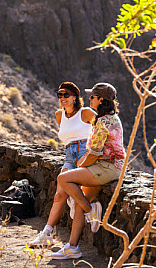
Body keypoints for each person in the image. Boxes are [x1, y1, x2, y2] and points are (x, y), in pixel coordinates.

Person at [51, 82, 125, 260]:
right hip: (107, 167)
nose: (89, 99)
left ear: (101, 100)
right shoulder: (109, 118)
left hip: (106, 168)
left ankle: (90, 209)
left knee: (64, 179)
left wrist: (79, 167)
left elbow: (94, 153)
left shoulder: (103, 121)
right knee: (78, 202)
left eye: (92, 97)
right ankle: (73, 247)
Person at [29, 82, 96, 247]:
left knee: (71, 186)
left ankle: (87, 210)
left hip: (84, 152)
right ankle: (46, 233)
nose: (63, 98)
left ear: (75, 97)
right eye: (60, 95)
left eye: (66, 95)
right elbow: (67, 136)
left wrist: (94, 151)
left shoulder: (85, 112)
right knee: (59, 194)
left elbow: (105, 127)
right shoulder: (59, 115)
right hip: (68, 155)